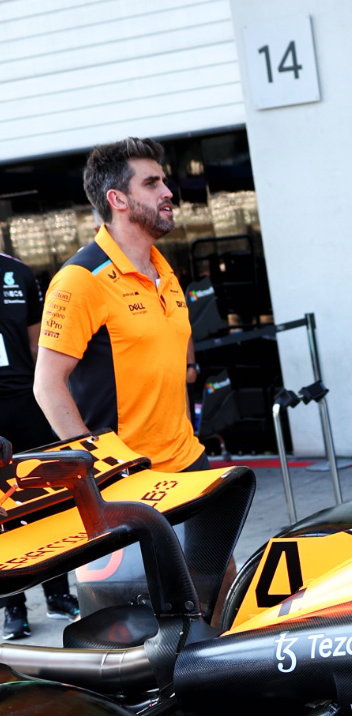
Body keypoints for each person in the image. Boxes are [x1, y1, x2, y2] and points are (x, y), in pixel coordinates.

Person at [34, 137, 203, 471]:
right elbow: (47, 386)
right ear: (118, 199)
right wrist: (99, 466)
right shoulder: (81, 278)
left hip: (190, 459)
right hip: (131, 476)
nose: (167, 192)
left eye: (164, 182)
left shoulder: (164, 270)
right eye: (152, 184)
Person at [0, 249, 81, 639]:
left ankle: (59, 595)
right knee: (2, 514)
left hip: (27, 405)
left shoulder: (17, 273)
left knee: (48, 503)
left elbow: (37, 348)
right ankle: (13, 607)